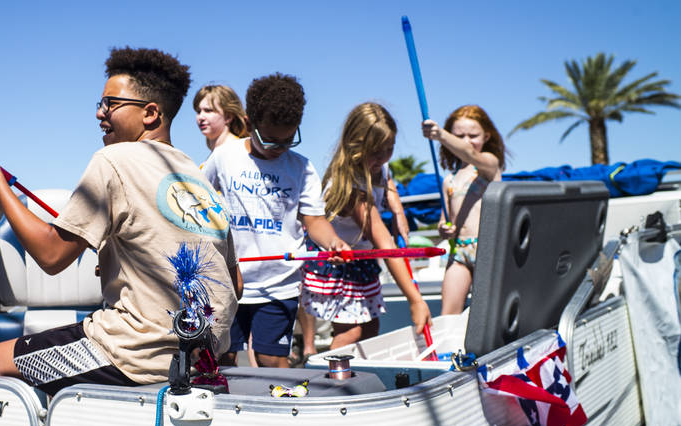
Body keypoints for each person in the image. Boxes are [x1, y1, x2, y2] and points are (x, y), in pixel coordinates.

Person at [0, 46, 240, 426]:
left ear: (150, 112)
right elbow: (231, 280)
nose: (99, 114)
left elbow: (48, 256)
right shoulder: (198, 176)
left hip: (139, 348)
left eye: (110, 103)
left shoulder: (113, 160)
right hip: (201, 354)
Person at [203, 73, 349, 369]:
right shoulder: (223, 157)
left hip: (280, 283)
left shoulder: (302, 168)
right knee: (224, 357)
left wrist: (333, 242)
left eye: (287, 140)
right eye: (269, 140)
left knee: (271, 358)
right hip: (229, 281)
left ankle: (295, 407)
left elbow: (314, 219)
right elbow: (199, 203)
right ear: (249, 121)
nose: (278, 148)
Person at [301, 103, 432, 352]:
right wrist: (415, 300)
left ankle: (349, 377)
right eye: (376, 152)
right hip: (339, 263)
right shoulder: (351, 187)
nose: (383, 158)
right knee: (351, 331)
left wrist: (398, 210)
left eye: (389, 149)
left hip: (361, 260)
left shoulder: (378, 166)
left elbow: (387, 179)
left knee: (371, 328)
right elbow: (384, 243)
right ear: (355, 147)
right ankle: (331, 376)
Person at [422, 105, 505, 314]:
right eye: (460, 135)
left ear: (486, 136)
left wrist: (440, 135)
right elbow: (446, 218)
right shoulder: (449, 179)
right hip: (459, 251)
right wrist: (444, 228)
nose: (466, 141)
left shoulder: (489, 166)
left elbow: (470, 154)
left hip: (487, 249)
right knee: (448, 313)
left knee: (487, 313)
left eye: (473, 135)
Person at [193, 84, 248, 154]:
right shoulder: (210, 159)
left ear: (228, 116)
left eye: (208, 110)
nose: (200, 117)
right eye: (198, 111)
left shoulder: (238, 150)